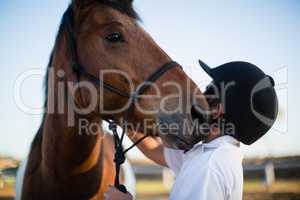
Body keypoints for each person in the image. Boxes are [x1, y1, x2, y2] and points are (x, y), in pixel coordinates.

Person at [104, 60, 278, 200]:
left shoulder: (208, 167)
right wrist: (123, 116)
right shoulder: (212, 155)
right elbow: (155, 150)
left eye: (208, 90)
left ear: (217, 110)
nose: (200, 94)